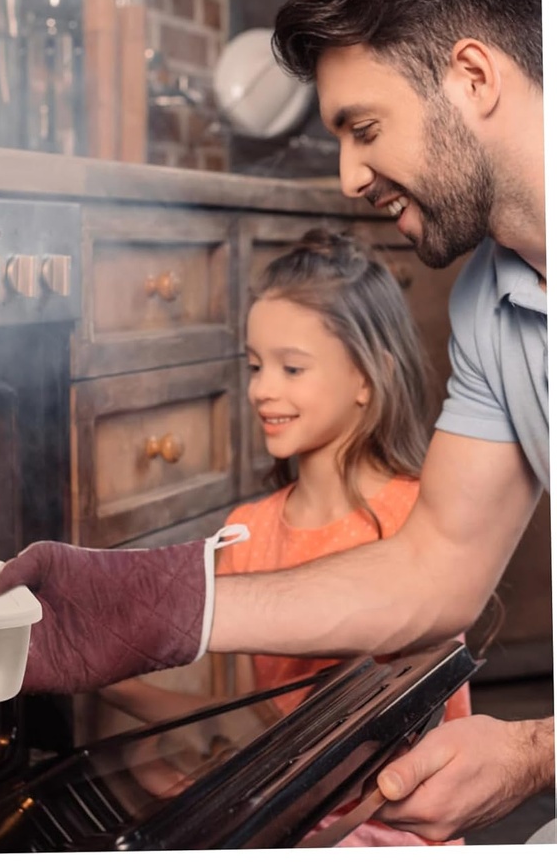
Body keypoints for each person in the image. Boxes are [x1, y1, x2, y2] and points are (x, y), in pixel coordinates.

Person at [0, 0, 554, 844]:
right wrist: (165, 604)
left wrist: (535, 752)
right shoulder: (488, 304)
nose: (348, 176)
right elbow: (436, 565)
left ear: (471, 77)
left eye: (364, 126)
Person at [104, 228, 473, 847]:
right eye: (253, 366)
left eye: (291, 367)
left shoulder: (423, 520)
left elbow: (412, 755)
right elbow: (262, 733)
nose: (260, 388)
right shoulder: (246, 533)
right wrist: (117, 688)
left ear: (368, 376)